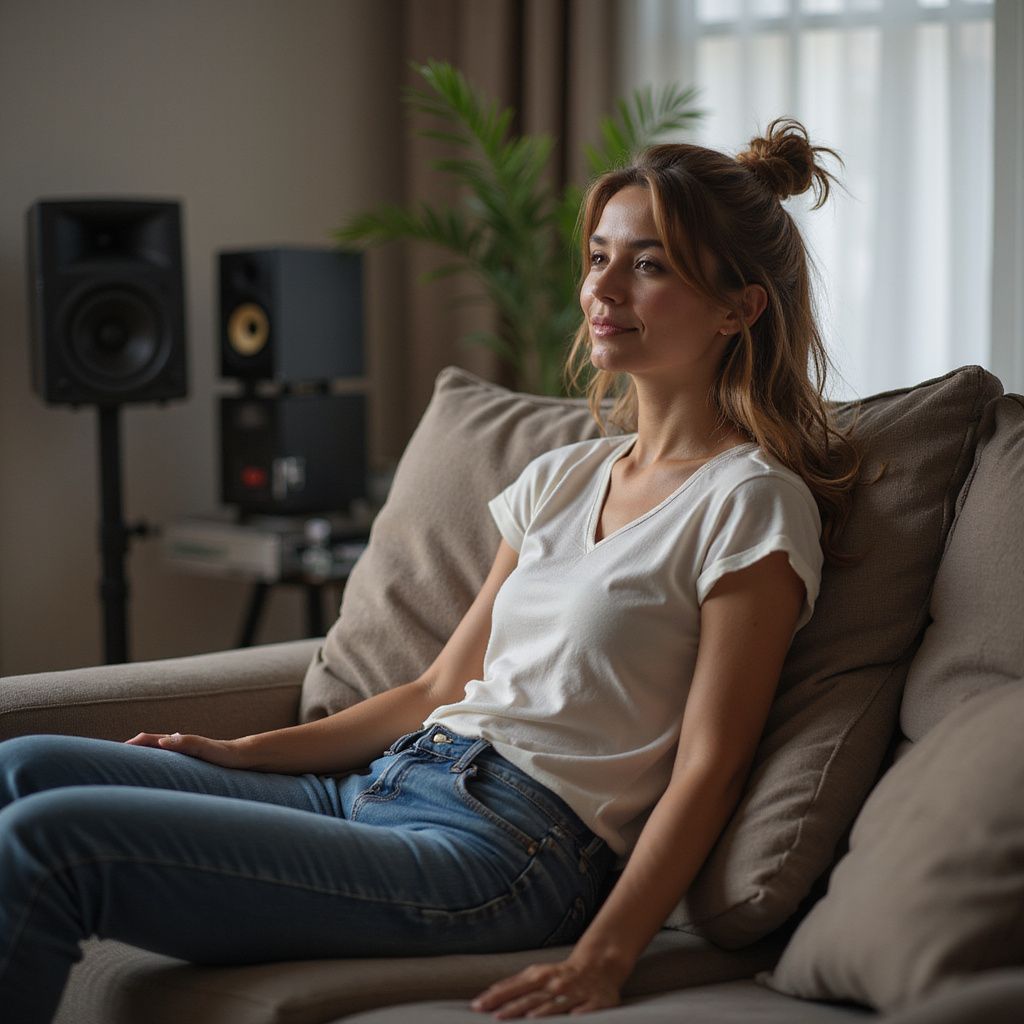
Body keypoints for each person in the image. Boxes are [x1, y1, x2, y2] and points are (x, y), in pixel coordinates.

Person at [0, 117, 860, 1022]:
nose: (602, 288)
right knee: (22, 765)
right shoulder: (561, 476)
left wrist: (606, 956)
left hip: (508, 853)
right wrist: (239, 754)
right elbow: (437, 687)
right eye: (600, 256)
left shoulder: (749, 503)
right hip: (385, 783)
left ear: (740, 307)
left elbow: (711, 766)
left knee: (53, 842)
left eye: (648, 264)